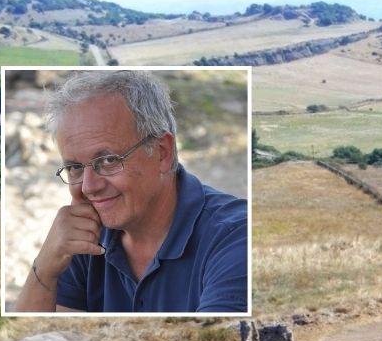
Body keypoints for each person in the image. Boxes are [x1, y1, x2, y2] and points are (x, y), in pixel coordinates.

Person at [14, 70, 247, 313]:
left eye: (107, 161)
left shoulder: (236, 237)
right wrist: (45, 267)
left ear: (162, 152)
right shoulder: (84, 238)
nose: (88, 187)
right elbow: (33, 340)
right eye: (74, 167)